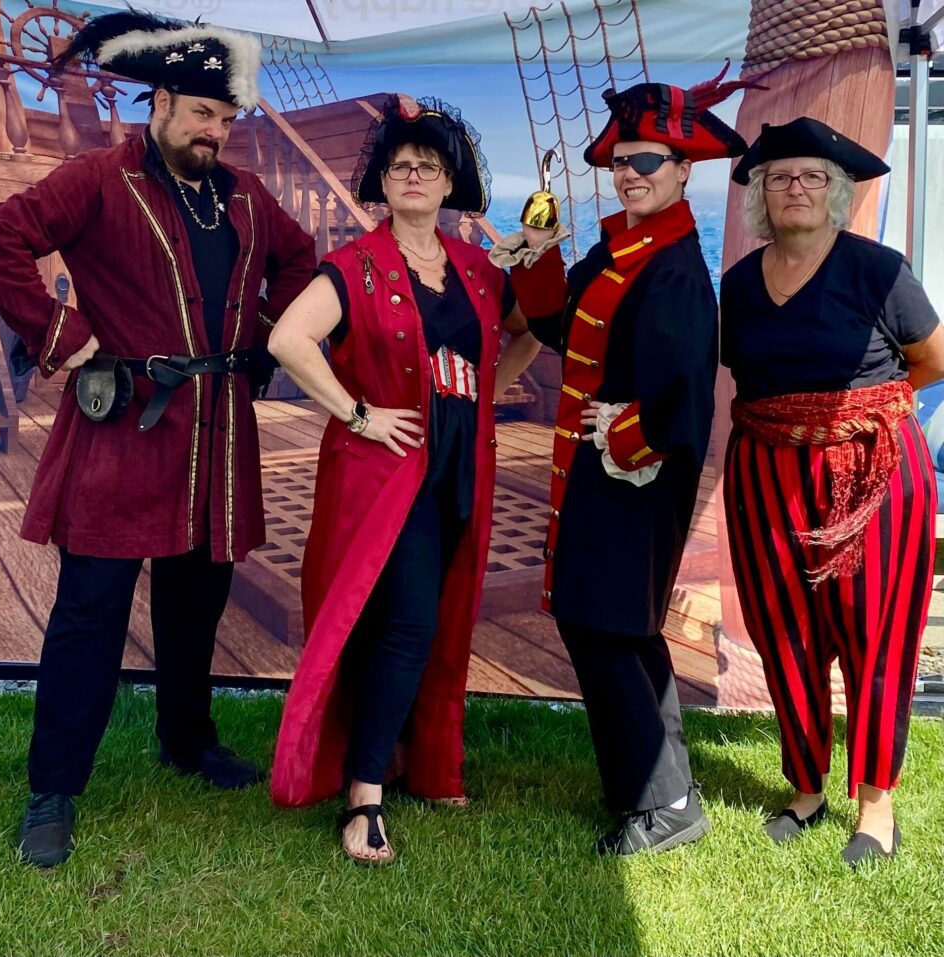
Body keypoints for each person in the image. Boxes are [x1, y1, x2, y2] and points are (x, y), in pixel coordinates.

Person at [0, 11, 316, 868]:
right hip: (126, 426)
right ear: (159, 103)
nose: (214, 132)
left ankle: (186, 739)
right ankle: (54, 789)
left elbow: (303, 262)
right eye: (200, 113)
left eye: (226, 120)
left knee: (197, 602)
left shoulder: (243, 196)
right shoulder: (98, 178)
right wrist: (62, 333)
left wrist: (268, 328)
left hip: (218, 431)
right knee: (89, 615)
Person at [267, 95, 539, 863]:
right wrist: (357, 413)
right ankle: (364, 796)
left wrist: (487, 390)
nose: (414, 173)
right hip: (384, 471)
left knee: (437, 616)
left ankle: (419, 761)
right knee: (408, 621)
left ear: (450, 181)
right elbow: (290, 339)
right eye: (400, 165)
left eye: (428, 164)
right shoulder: (354, 264)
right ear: (382, 183)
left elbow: (526, 334)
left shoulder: (478, 269)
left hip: (459, 461)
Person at [496, 70, 750, 855]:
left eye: (646, 161)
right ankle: (664, 786)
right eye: (620, 163)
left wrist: (625, 433)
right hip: (601, 468)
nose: (630, 173)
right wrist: (538, 253)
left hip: (635, 473)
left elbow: (684, 397)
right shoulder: (619, 246)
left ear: (682, 171)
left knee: (603, 623)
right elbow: (553, 321)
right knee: (623, 627)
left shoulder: (675, 267)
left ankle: (660, 802)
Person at [721, 117, 944, 866]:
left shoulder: (879, 270)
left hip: (874, 471)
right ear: (761, 195)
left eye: (812, 176)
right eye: (780, 176)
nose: (796, 188)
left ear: (838, 191)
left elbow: (932, 359)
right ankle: (807, 787)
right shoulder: (738, 285)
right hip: (765, 471)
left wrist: (860, 416)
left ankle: (876, 804)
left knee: (873, 633)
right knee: (785, 629)